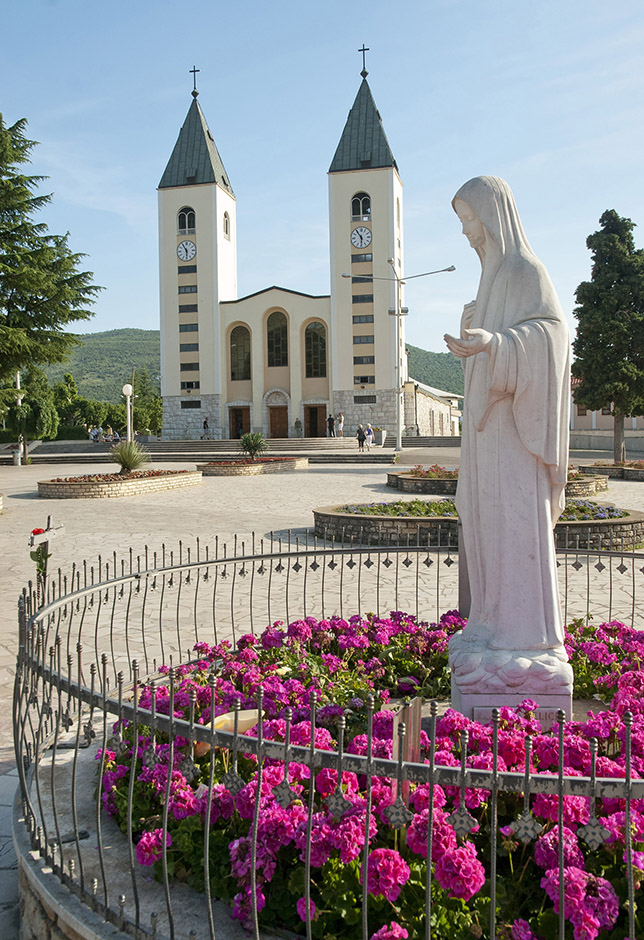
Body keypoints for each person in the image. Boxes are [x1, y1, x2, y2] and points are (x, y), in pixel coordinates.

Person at [444, 177, 571, 693]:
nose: (466, 233)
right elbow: (501, 341)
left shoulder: (524, 271)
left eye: (469, 220)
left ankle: (526, 638)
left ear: (493, 216)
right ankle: (491, 623)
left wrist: (495, 343)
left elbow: (552, 337)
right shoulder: (490, 281)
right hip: (487, 439)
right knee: (486, 525)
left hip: (516, 442)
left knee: (515, 527)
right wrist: (476, 340)